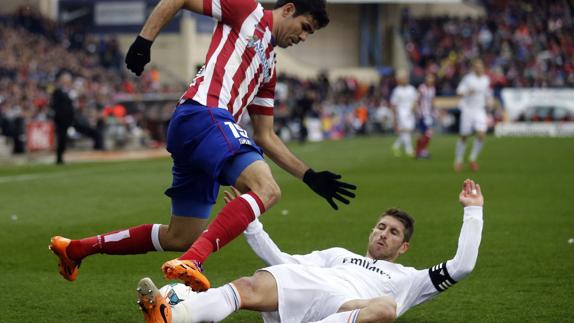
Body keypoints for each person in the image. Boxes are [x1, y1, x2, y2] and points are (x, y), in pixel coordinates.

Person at [49, 0, 356, 291]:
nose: (303, 37)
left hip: (202, 132)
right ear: (288, 9)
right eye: (304, 27)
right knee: (267, 189)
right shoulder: (247, 10)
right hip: (204, 114)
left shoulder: (269, 66)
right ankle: (192, 261)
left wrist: (310, 176)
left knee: (181, 235)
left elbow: (266, 135)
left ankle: (76, 249)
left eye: (309, 33)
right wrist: (145, 40)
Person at [137, 179, 484, 323]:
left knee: (385, 309)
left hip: (345, 307)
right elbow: (281, 261)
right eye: (381, 227)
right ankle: (174, 314)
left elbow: (463, 265)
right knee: (247, 286)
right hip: (311, 284)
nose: (383, 235)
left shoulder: (409, 278)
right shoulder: (336, 254)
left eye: (393, 233)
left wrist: (473, 210)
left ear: (404, 247)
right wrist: (250, 221)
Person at [454, 59, 493, 172]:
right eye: (476, 66)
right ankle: (458, 160)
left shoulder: (486, 80)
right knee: (464, 136)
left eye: (480, 66)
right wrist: (466, 92)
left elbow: (487, 93)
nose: (479, 68)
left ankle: (472, 159)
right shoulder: (468, 79)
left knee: (481, 135)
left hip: (479, 110)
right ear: (473, 68)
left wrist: (489, 101)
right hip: (467, 110)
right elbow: (459, 92)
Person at [390, 70, 418, 157]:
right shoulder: (397, 90)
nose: (404, 80)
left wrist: (414, 110)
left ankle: (396, 145)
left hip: (410, 112)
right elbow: (393, 104)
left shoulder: (412, 89)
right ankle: (409, 150)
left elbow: (415, 100)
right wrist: (394, 116)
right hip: (401, 112)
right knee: (406, 129)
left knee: (408, 130)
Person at [50, 72, 75, 164]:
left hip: (68, 119)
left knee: (63, 139)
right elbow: (55, 105)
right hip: (61, 119)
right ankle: (59, 158)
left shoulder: (68, 91)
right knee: (61, 138)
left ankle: (61, 157)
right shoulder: (58, 91)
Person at [414, 74, 436, 159]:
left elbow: (433, 101)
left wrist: (434, 111)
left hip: (429, 114)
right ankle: (421, 151)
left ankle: (418, 152)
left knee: (423, 134)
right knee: (428, 133)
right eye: (428, 79)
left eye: (431, 79)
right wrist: (418, 112)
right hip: (423, 114)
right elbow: (417, 100)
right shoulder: (422, 88)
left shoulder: (433, 89)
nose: (430, 81)